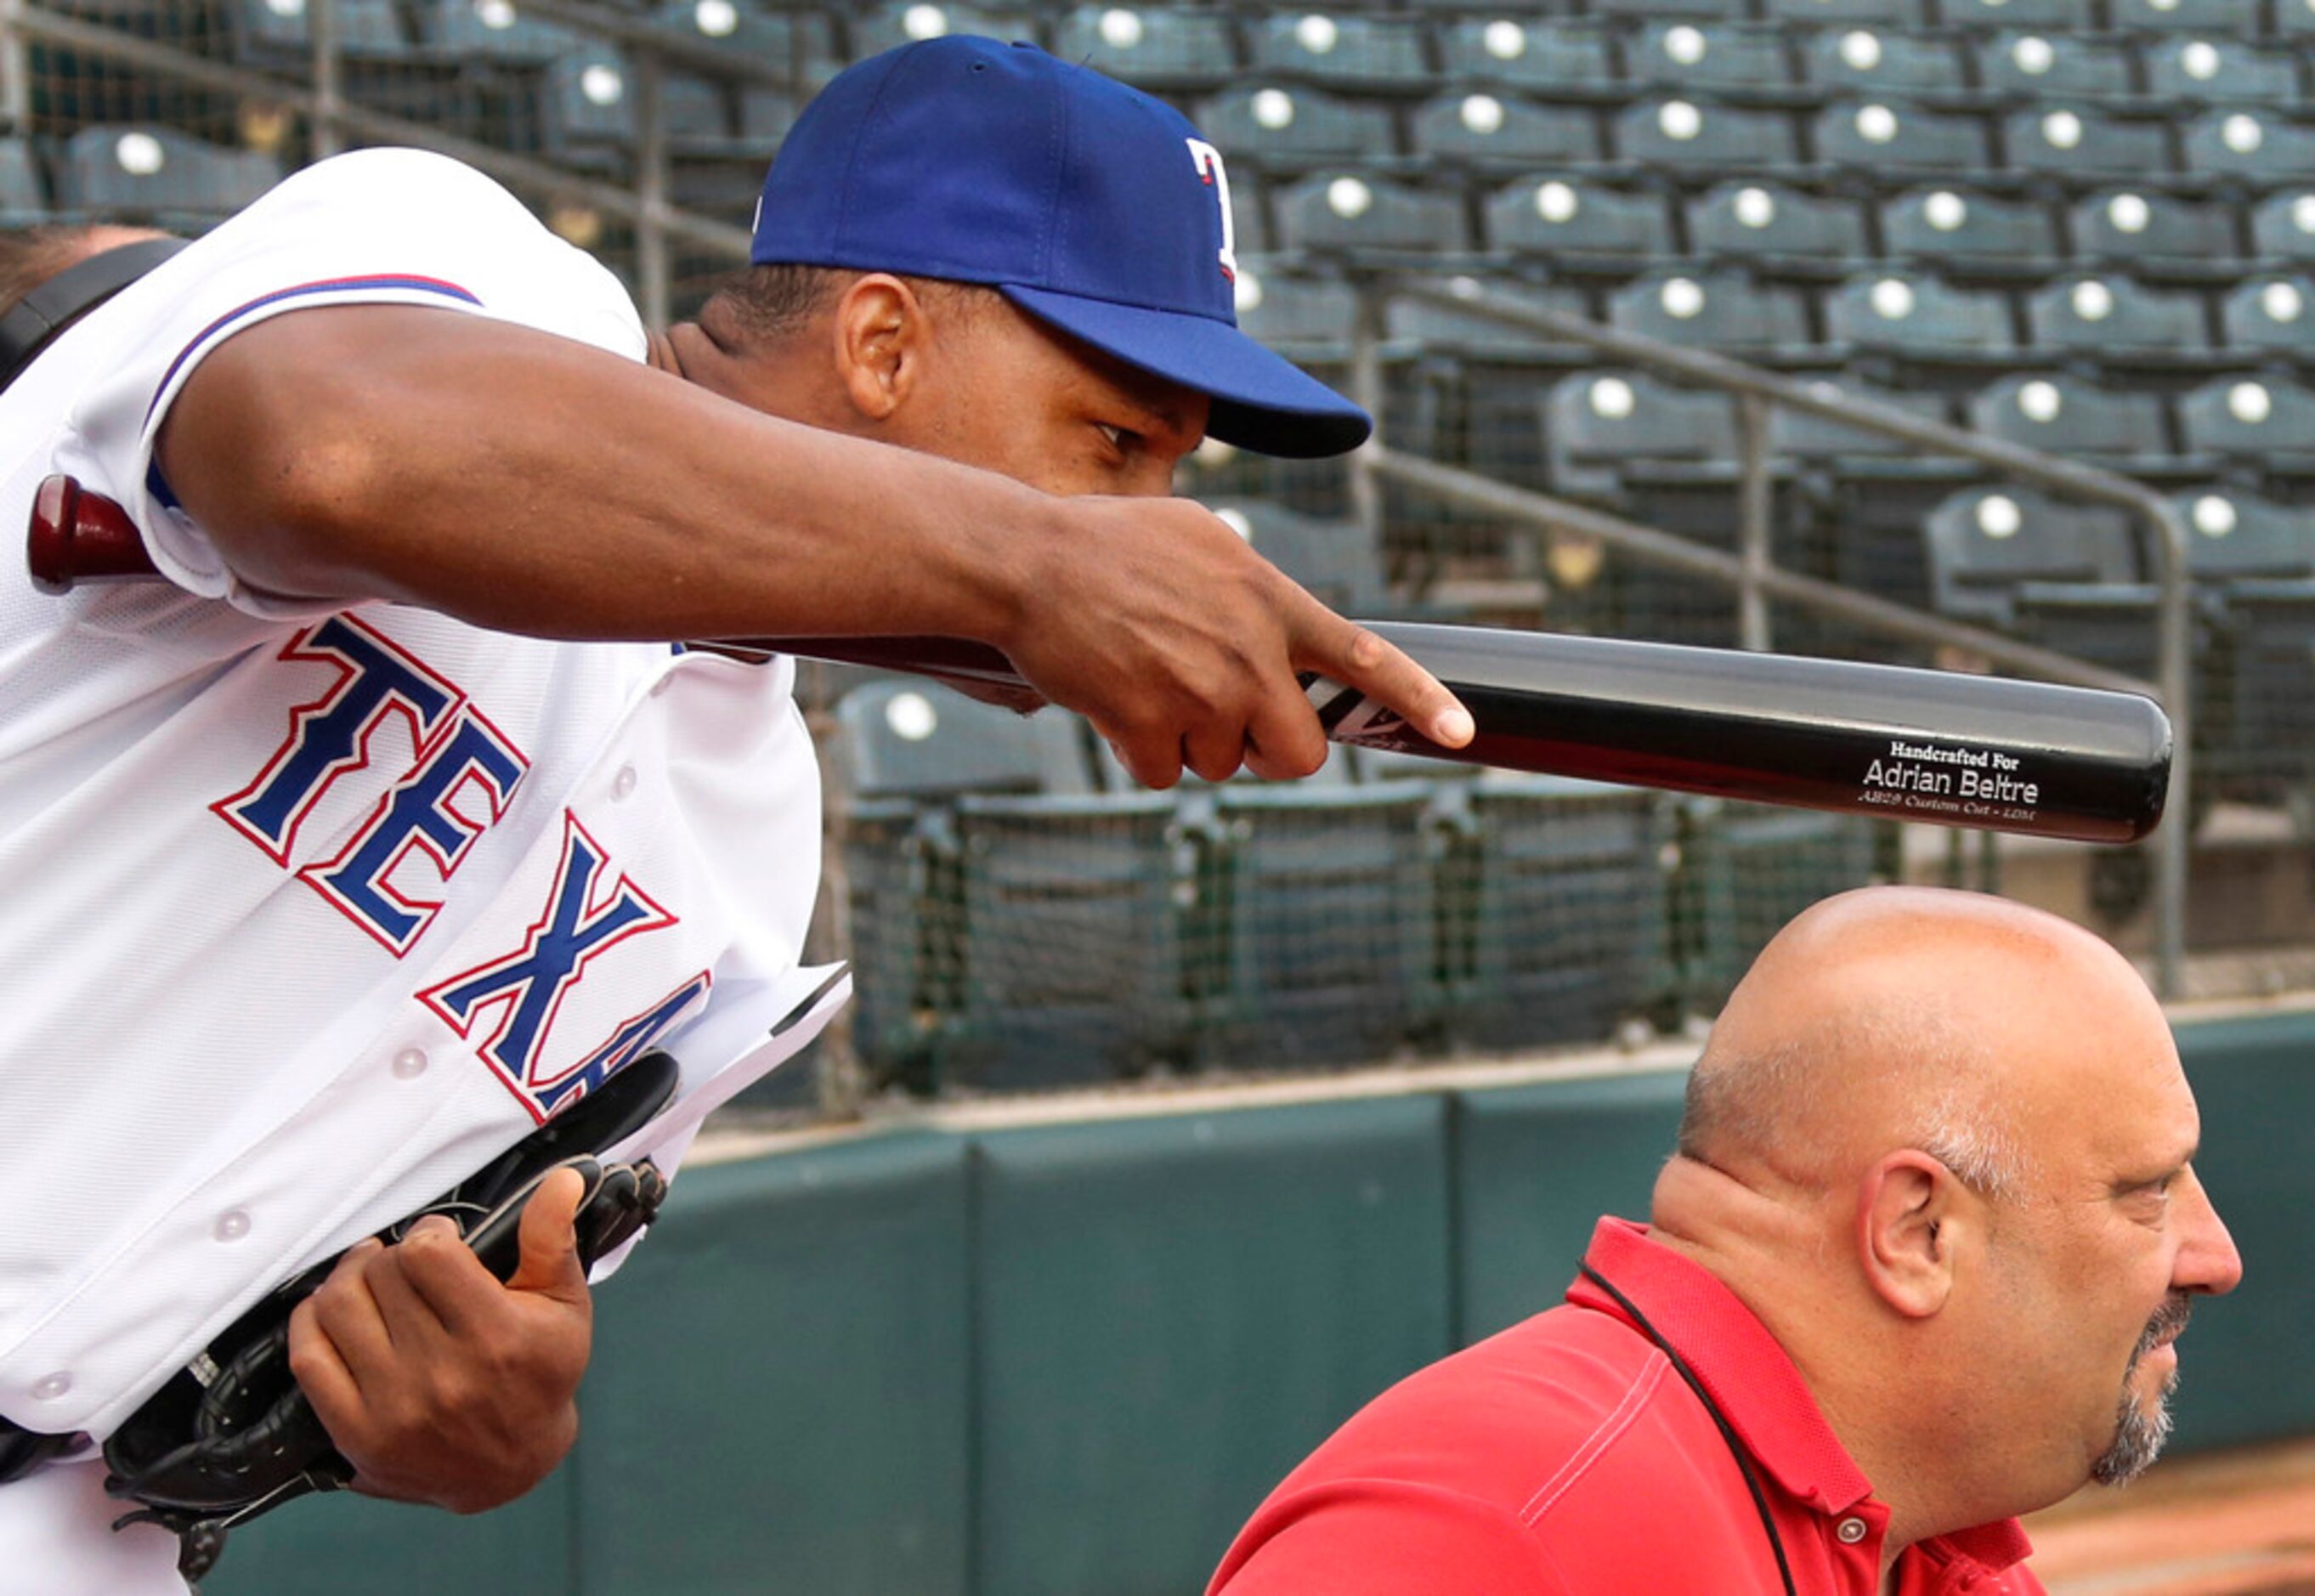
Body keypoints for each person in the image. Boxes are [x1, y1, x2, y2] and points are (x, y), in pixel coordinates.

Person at [0, 36, 1471, 1591]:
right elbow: (325, 448)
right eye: (1112, 446)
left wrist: (486, 1428)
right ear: (884, 343)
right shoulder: (464, 270)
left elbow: (419, 1307)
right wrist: (1024, 561)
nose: (1144, 530)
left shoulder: (755, 836)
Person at [1208, 886, 2243, 1596]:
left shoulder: (1933, 1542)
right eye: (2147, 1192)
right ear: (1917, 1232)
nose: (2216, 1256)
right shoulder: (1495, 1530)